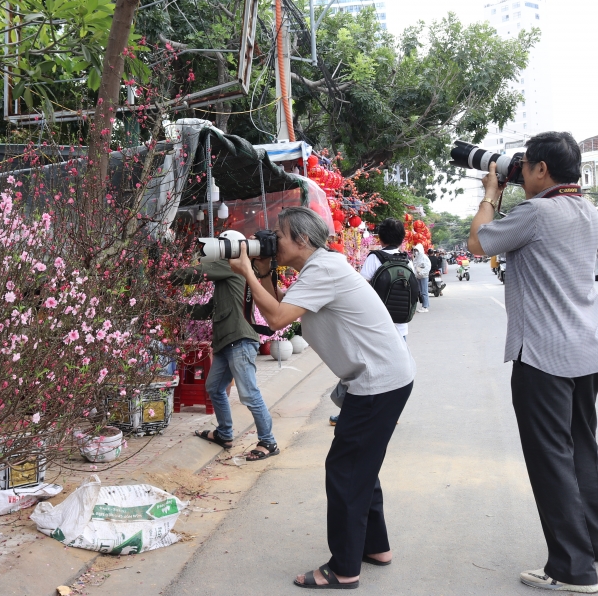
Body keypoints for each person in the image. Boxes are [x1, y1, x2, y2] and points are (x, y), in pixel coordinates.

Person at [228, 207, 416, 590]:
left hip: (377, 383)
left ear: (302, 239)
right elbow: (282, 308)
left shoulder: (324, 270)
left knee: (346, 470)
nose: (271, 241)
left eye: (277, 236)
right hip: (383, 378)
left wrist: (247, 270)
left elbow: (278, 318)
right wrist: (262, 269)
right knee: (361, 465)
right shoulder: (319, 269)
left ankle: (344, 569)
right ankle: (375, 547)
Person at [467, 131, 598, 593]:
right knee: (582, 448)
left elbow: (477, 245)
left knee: (551, 459)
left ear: (541, 170)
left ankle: (571, 569)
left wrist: (492, 195)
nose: (521, 171)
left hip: (543, 357)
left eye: (525, 165)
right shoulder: (586, 209)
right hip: (587, 350)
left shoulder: (535, 212)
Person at [170, 253, 279, 462]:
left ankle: (268, 441)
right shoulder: (226, 279)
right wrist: (174, 307)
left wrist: (167, 277)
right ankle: (224, 434)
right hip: (226, 342)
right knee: (214, 388)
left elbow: (197, 273)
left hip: (239, 340)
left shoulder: (233, 264)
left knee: (249, 394)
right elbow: (205, 310)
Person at [328, 218, 412, 427]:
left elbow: (362, 290)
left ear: (380, 237)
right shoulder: (406, 260)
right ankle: (391, 412)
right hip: (401, 326)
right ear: (402, 238)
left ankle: (348, 411)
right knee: (393, 371)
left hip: (376, 326)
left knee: (363, 372)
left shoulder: (375, 258)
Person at [412, 243, 431, 312]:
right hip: (418, 276)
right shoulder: (416, 258)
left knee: (424, 292)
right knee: (420, 292)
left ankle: (425, 307)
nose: (416, 252)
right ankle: (424, 305)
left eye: (417, 250)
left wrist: (421, 273)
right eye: (415, 250)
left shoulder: (424, 257)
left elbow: (427, 267)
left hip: (424, 276)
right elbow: (414, 266)